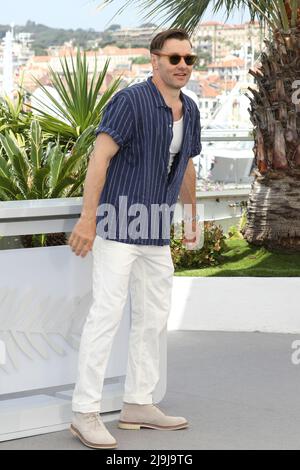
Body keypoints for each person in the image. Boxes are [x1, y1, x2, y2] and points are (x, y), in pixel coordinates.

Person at [68, 28, 202, 449]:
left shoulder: (190, 109)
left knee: (153, 317)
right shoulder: (129, 101)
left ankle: (138, 403)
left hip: (156, 230)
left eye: (189, 59)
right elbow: (100, 158)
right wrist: (88, 219)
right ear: (155, 60)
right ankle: (84, 413)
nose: (182, 66)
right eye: (174, 58)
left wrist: (192, 215)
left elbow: (186, 166)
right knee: (105, 316)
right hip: (117, 227)